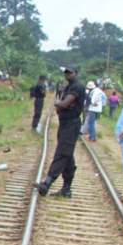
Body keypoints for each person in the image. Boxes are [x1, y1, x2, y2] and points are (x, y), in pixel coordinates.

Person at [35, 66, 86, 197]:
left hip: (71, 124)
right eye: (66, 73)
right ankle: (66, 189)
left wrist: (59, 103)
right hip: (65, 124)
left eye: (70, 73)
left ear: (76, 73)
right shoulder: (68, 86)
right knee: (67, 156)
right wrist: (59, 104)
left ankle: (47, 183)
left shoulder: (77, 87)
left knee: (62, 153)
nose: (67, 75)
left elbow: (64, 104)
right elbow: (62, 104)